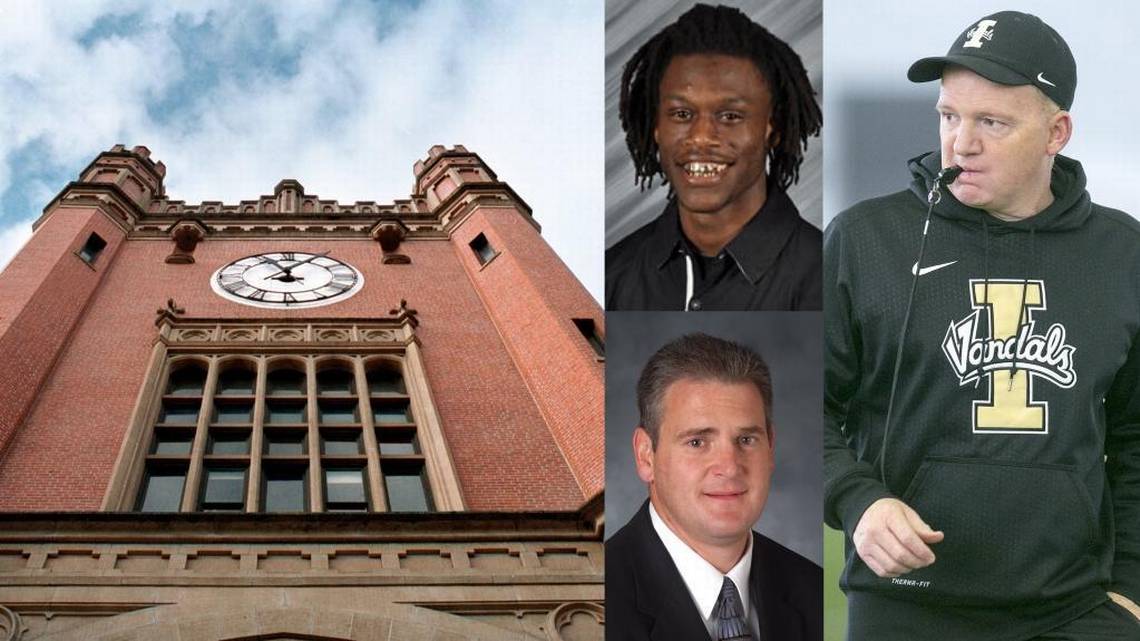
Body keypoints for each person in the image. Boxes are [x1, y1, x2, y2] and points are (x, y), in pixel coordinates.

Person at [824, 10, 1140, 640]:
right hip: (903, 611)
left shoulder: (1122, 254)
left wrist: (1130, 594)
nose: (961, 143)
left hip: (1076, 614)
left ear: (1057, 132)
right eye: (949, 116)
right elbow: (794, 407)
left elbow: (1136, 438)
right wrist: (858, 503)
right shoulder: (864, 241)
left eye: (991, 122)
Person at [605, 4, 822, 311]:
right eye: (682, 113)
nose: (702, 137)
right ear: (656, 128)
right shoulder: (613, 274)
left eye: (730, 115)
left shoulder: (827, 274)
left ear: (771, 129)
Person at [607, 333, 822, 641]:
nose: (730, 466)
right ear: (646, 455)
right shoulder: (607, 594)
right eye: (697, 442)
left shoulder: (814, 589)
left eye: (746, 440)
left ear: (771, 447)